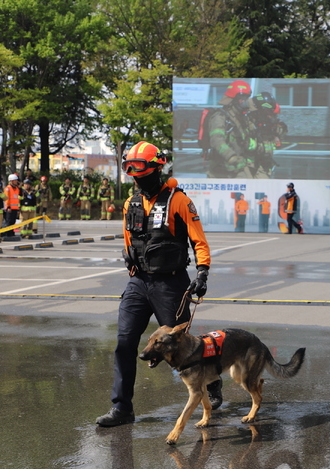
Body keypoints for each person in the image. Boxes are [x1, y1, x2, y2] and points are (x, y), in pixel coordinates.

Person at [96, 141, 219, 427]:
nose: (137, 177)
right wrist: (130, 261)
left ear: (156, 168)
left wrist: (203, 272)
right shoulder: (131, 204)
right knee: (125, 343)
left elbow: (198, 240)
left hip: (172, 284)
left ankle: (211, 387)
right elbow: (129, 241)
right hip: (139, 283)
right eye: (131, 171)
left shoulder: (178, 200)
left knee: (186, 345)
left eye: (140, 169)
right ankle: (122, 408)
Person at [206, 80, 255, 178]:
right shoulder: (219, 117)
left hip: (238, 167)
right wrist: (231, 156)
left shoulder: (240, 118)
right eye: (242, 99)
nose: (245, 102)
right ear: (233, 99)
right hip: (221, 170)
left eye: (246, 98)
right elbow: (216, 140)